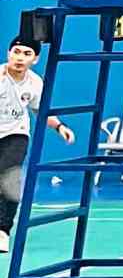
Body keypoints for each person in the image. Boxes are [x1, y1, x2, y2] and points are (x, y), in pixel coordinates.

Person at [0, 37, 74, 255]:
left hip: (15, 134)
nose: (20, 58)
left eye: (26, 54)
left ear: (35, 59)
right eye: (16, 52)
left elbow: (41, 111)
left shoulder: (34, 83)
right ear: (9, 53)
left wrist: (59, 126)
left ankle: (2, 230)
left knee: (9, 177)